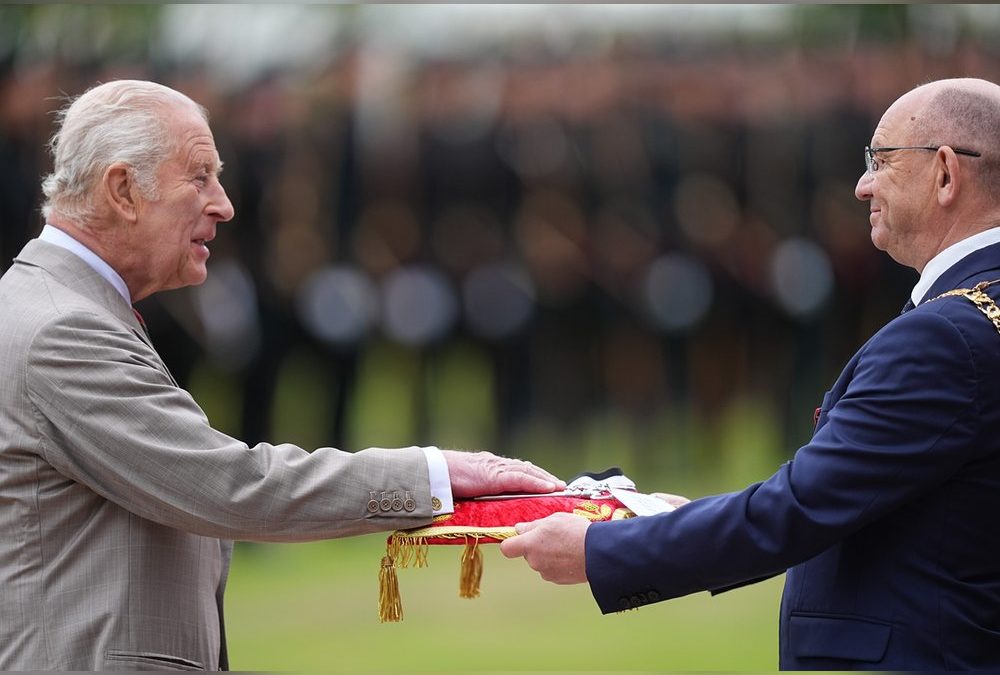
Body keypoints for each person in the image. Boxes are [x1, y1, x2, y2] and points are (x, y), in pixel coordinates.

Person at [0, 79, 564, 671]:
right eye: (199, 178)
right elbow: (227, 485)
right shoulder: (64, 329)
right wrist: (433, 473)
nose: (223, 204)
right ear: (122, 190)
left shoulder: (58, 303)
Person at [501, 77, 1000, 670]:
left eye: (883, 161)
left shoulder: (943, 336)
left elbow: (800, 509)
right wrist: (675, 518)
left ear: (945, 174)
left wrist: (601, 550)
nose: (863, 186)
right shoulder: (970, 312)